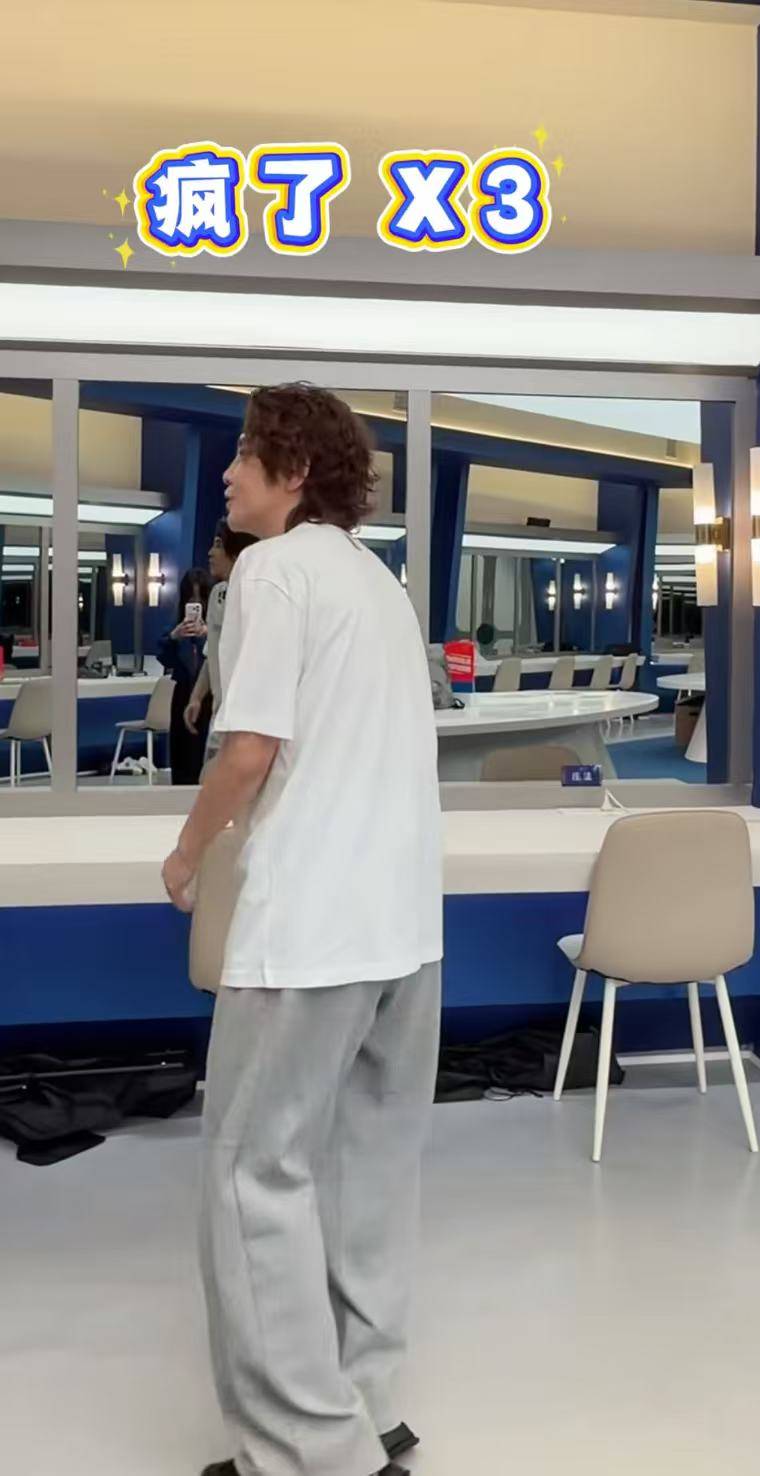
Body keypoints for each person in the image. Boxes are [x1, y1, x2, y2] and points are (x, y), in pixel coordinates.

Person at [161, 384, 443, 1476]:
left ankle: (310, 1451)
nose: (229, 476)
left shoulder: (274, 571)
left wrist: (188, 853)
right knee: (369, 1169)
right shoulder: (379, 583)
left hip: (313, 927)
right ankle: (366, 1403)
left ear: (295, 471)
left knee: (251, 1174)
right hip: (404, 926)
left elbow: (249, 748)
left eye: (245, 455)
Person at [184, 520, 258, 759]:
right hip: (219, 717)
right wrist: (197, 697)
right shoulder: (218, 595)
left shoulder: (259, 596)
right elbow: (213, 653)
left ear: (236, 553)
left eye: (218, 545)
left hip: (246, 722)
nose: (210, 552)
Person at [157, 567, 212, 785]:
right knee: (181, 749)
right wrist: (174, 637)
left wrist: (208, 635)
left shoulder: (219, 627)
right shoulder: (176, 627)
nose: (196, 603)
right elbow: (165, 659)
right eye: (191, 599)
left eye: (200, 599)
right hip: (182, 692)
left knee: (203, 750)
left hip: (208, 694)